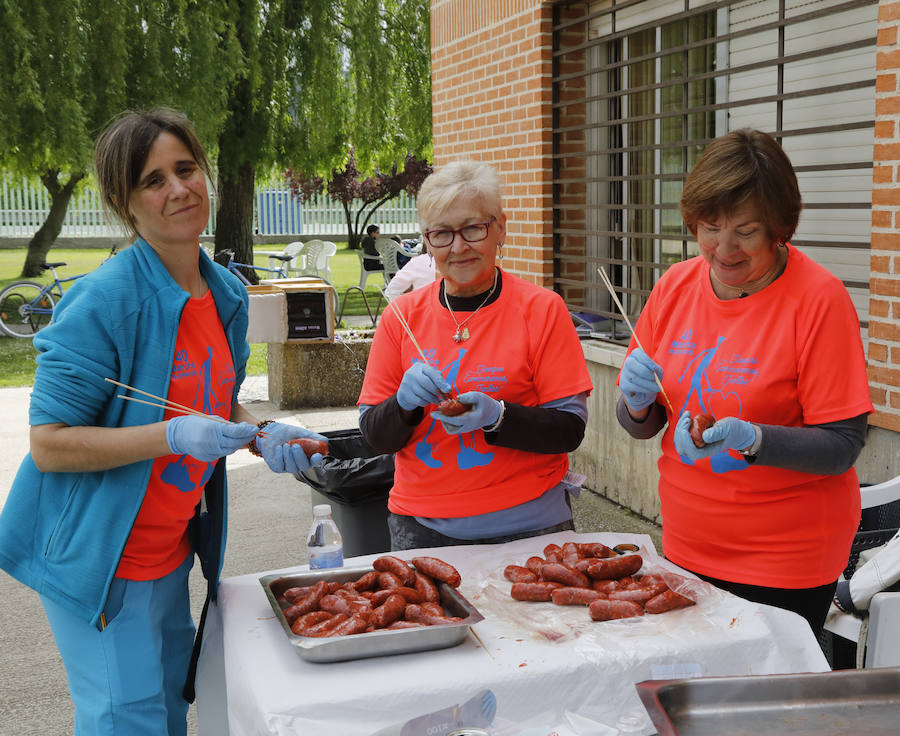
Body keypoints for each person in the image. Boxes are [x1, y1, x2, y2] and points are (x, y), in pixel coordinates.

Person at [0, 108, 327, 736]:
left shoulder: (226, 293)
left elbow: (214, 397)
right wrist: (172, 437)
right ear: (125, 204)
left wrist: (260, 431)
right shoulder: (102, 302)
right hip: (100, 556)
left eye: (186, 168)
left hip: (170, 548)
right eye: (153, 181)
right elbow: (49, 445)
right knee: (129, 720)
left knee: (174, 708)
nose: (178, 189)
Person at [615, 128, 872, 637]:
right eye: (709, 228)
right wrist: (636, 401)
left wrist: (754, 439)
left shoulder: (818, 300)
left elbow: (842, 446)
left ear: (779, 228)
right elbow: (641, 425)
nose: (723, 248)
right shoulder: (674, 287)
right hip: (687, 543)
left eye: (746, 231)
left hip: (785, 561)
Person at [358, 160, 593, 550]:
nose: (458, 247)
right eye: (442, 234)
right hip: (422, 532)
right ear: (426, 241)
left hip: (532, 527)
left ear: (500, 227)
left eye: (473, 228)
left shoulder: (542, 309)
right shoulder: (400, 316)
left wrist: (499, 416)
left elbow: (569, 430)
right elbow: (375, 437)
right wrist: (403, 405)